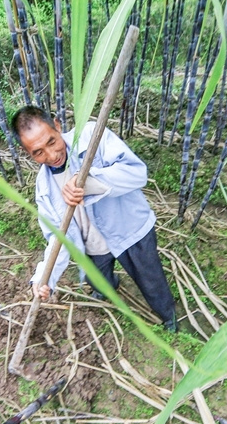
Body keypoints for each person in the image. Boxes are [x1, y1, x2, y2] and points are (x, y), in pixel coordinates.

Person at [10, 106, 177, 331]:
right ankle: (106, 288)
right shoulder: (44, 188)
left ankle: (168, 315)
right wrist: (43, 278)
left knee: (151, 280)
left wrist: (88, 182)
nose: (51, 155)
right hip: (92, 247)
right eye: (38, 152)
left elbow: (137, 173)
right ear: (27, 152)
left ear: (58, 126)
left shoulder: (91, 137)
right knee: (98, 277)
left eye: (51, 142)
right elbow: (57, 238)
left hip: (130, 231)